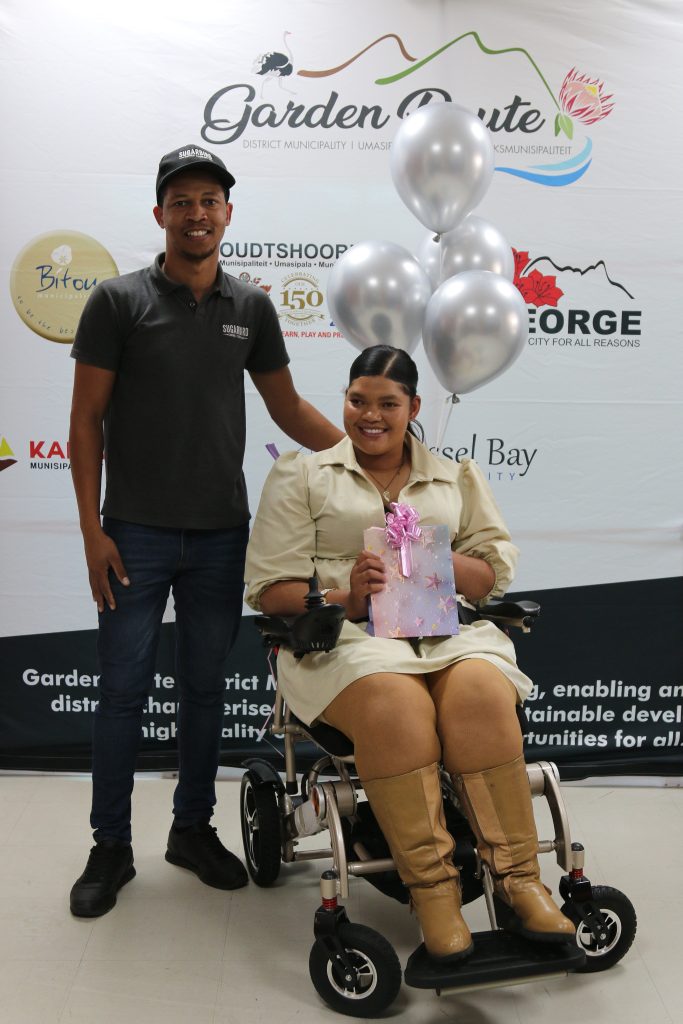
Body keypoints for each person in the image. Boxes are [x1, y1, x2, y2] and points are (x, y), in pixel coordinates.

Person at [68, 144, 343, 918]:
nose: (197, 213)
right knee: (121, 693)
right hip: (133, 536)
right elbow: (85, 422)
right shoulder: (117, 301)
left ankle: (191, 830)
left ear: (228, 213)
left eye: (209, 201)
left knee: (203, 690)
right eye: (182, 201)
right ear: (160, 213)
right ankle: (110, 847)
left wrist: (370, 456)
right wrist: (91, 532)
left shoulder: (250, 307)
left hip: (223, 536)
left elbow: (287, 409)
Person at [244, 345, 574, 963]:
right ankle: (435, 894)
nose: (370, 415)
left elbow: (491, 575)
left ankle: (520, 882)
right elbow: (271, 590)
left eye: (387, 404)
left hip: (446, 633)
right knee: (396, 704)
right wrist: (346, 596)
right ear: (345, 401)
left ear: (413, 407)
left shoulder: (454, 477)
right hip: (347, 643)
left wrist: (439, 560)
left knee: (481, 691)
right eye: (357, 401)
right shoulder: (304, 475)